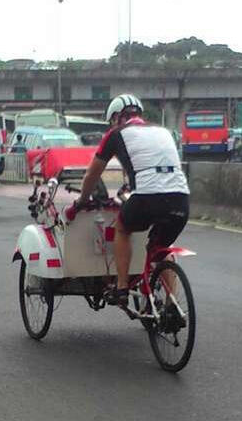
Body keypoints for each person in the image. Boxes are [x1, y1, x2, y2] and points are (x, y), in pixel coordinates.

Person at [67, 93, 190, 306]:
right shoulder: (163, 131)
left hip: (147, 196)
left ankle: (122, 287)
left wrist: (82, 200)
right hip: (181, 198)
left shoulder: (116, 134)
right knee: (162, 249)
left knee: (122, 229)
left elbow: (92, 175)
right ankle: (172, 307)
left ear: (116, 117)